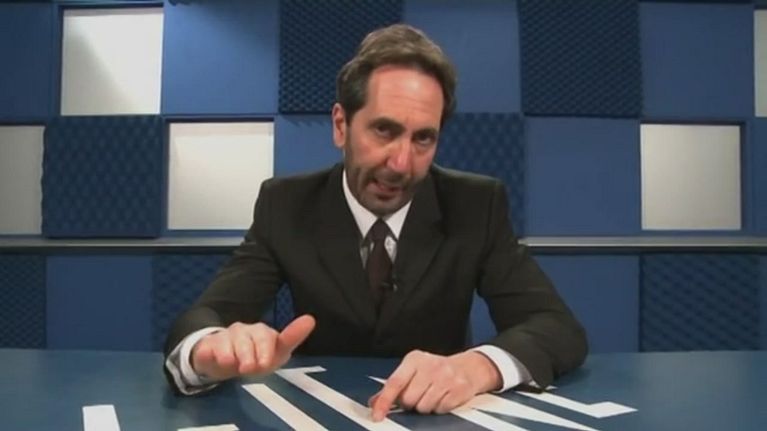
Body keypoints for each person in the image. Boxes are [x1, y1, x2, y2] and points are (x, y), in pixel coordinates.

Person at [164, 23, 587, 422]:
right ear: (341, 125)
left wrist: (478, 367)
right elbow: (207, 314)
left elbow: (557, 327)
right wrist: (209, 350)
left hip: (439, 420)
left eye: (423, 138)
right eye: (384, 130)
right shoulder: (286, 205)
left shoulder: (476, 204)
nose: (401, 163)